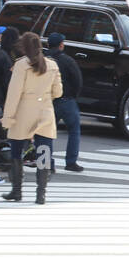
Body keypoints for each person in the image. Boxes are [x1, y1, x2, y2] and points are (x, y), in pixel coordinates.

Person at [0, 32, 61, 204]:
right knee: (44, 152)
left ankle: (17, 191)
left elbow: (13, 94)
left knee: (17, 151)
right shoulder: (52, 65)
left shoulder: (21, 65)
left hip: (23, 112)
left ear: (23, 47)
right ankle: (41, 194)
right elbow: (58, 92)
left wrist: (7, 118)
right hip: (45, 112)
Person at [47, 32, 83, 172]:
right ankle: (71, 162)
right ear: (61, 45)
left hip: (48, 101)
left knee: (46, 133)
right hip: (67, 100)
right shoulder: (67, 60)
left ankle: (47, 163)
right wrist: (74, 96)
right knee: (74, 130)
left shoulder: (43, 60)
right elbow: (77, 80)